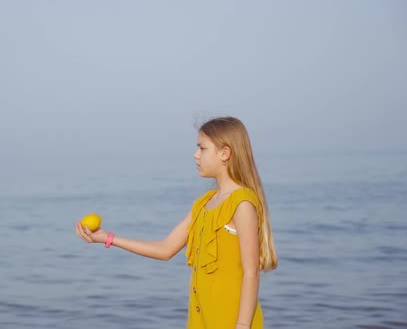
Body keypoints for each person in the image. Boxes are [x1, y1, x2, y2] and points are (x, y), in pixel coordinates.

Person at [75, 116, 278, 329]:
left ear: (224, 154)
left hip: (232, 320)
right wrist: (108, 238)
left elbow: (251, 272)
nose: (195, 155)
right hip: (201, 319)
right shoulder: (204, 203)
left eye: (202, 148)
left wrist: (243, 325)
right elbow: (165, 249)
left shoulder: (242, 203)